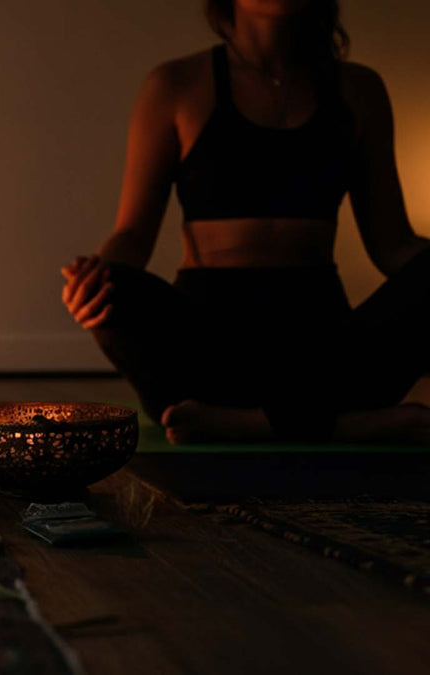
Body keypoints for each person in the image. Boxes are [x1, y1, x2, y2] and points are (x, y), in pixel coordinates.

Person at [62, 0, 430, 444]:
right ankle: (340, 424)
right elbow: (133, 235)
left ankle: (247, 424)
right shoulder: (176, 85)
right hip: (209, 343)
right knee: (111, 290)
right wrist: (91, 282)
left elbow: (393, 244)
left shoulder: (359, 89)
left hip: (320, 343)